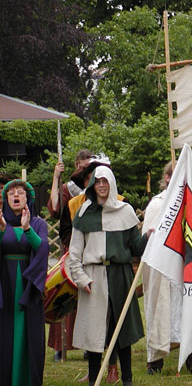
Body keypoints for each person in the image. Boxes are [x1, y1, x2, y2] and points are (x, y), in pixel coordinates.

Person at [69, 166, 149, 386]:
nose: (101, 186)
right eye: (98, 182)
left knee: (121, 329)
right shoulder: (84, 212)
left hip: (120, 274)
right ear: (93, 185)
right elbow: (75, 253)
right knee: (95, 333)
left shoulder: (125, 211)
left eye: (105, 181)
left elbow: (136, 247)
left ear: (112, 183)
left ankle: (128, 380)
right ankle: (94, 379)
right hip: (94, 275)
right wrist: (82, 279)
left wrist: (150, 235)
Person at [141, 162, 192, 375]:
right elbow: (147, 238)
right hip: (163, 271)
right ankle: (155, 362)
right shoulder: (158, 204)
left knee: (189, 311)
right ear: (167, 178)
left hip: (187, 268)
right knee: (160, 313)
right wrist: (152, 236)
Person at [0, 180, 49, 385]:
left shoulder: (38, 223)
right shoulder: (0, 222)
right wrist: (2, 231)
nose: (15, 195)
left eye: (20, 192)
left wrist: (28, 229)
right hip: (5, 288)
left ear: (27, 198)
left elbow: (43, 248)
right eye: (11, 193)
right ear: (5, 200)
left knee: (30, 336)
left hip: (29, 287)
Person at [46, 149, 92, 363]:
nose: (84, 170)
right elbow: (54, 210)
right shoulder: (66, 188)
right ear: (75, 166)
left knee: (88, 298)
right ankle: (60, 346)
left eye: (88, 167)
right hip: (70, 247)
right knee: (64, 295)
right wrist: (56, 177)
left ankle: (88, 345)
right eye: (81, 166)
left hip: (91, 248)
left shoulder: (96, 187)